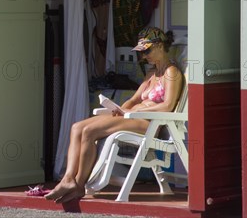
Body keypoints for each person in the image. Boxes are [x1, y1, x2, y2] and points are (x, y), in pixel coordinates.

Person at [45, 27, 184, 204]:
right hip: (132, 117)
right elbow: (134, 99)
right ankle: (68, 179)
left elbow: (168, 106)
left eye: (147, 51)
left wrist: (132, 112)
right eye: (142, 52)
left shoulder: (171, 72)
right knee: (77, 127)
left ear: (159, 46)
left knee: (89, 131)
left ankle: (79, 184)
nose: (144, 56)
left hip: (148, 124)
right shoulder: (151, 73)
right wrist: (120, 109)